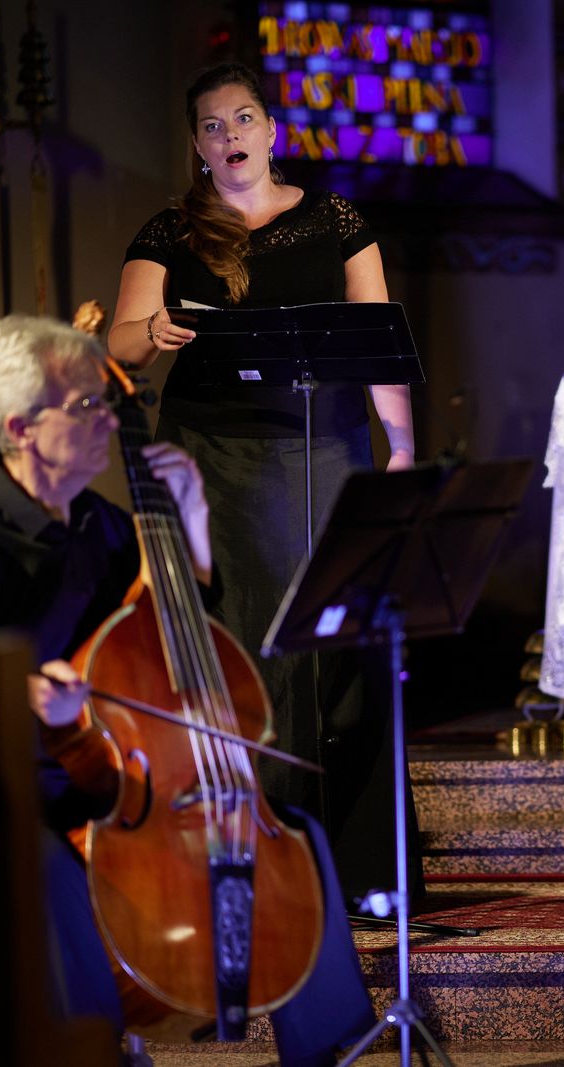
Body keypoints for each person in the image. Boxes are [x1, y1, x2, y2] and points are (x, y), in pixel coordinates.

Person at [0, 315, 373, 1065]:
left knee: (295, 833)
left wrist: (194, 526)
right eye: (87, 404)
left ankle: (327, 1050)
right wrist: (24, 693)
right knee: (47, 862)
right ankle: (92, 1050)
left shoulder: (102, 524)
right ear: (20, 429)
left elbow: (176, 630)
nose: (107, 417)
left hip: (106, 772)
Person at [107, 61, 417, 900]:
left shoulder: (336, 220)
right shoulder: (172, 230)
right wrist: (153, 328)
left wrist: (400, 449)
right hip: (211, 460)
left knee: (337, 645)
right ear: (197, 146)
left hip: (326, 450)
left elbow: (378, 340)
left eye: (243, 118)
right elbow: (119, 342)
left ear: (272, 129)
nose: (230, 135)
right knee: (232, 646)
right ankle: (244, 861)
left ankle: (353, 868)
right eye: (212, 126)